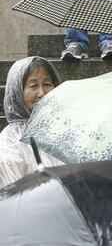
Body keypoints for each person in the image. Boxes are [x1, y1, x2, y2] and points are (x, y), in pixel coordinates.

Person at [0, 57, 63, 187]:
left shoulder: (65, 130)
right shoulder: (10, 140)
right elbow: (12, 192)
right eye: (33, 86)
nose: (42, 93)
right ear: (18, 92)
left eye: (47, 84)